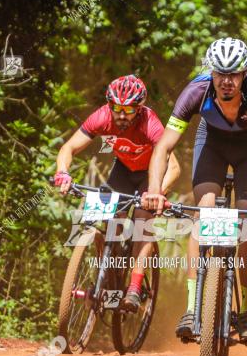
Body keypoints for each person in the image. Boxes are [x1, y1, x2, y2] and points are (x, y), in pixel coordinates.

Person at [140, 38, 247, 341]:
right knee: (203, 217)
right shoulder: (195, 92)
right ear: (211, 73)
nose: (226, 81)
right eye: (220, 74)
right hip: (211, 145)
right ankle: (191, 307)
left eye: (234, 74)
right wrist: (154, 190)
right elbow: (163, 148)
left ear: (244, 74)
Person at [55, 74, 180, 311]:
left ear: (140, 108)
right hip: (123, 171)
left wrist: (158, 193)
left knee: (143, 220)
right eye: (117, 109)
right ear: (109, 105)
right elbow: (68, 147)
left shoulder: (150, 123)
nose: (122, 115)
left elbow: (173, 167)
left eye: (129, 110)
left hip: (149, 176)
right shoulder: (102, 117)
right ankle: (109, 270)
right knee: (109, 218)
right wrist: (63, 172)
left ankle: (134, 286)